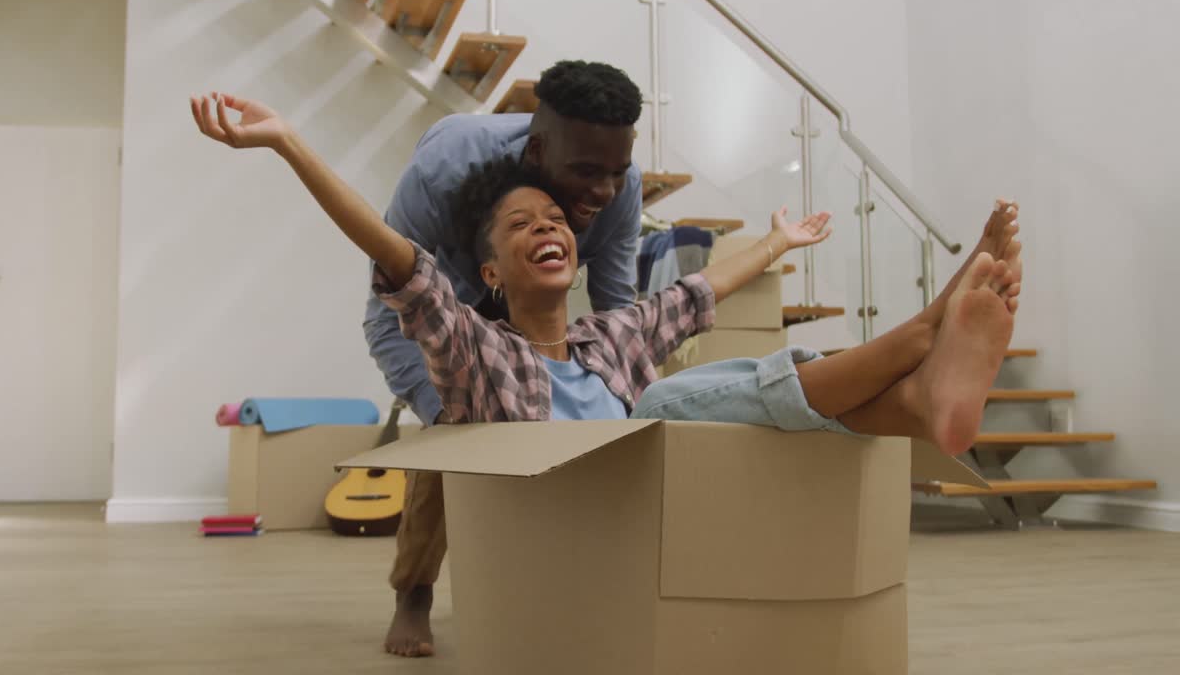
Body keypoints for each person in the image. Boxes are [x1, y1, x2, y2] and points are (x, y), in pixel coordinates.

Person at [190, 89, 1024, 657]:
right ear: (487, 275)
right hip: (561, 530)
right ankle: (920, 338)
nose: (548, 228)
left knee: (687, 388)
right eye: (521, 226)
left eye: (555, 219)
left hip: (643, 526)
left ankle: (917, 394)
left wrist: (779, 243)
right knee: (664, 399)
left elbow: (705, 289)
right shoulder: (477, 358)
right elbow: (394, 254)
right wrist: (287, 143)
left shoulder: (609, 340)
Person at [358, 60, 646, 656]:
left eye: (616, 172)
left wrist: (630, 407)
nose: (603, 192)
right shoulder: (449, 163)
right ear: (537, 149)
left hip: (536, 320)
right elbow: (386, 313)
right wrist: (446, 411)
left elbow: (620, 313)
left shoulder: (619, 189)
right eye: (587, 172)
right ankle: (414, 593)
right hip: (452, 310)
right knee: (453, 438)